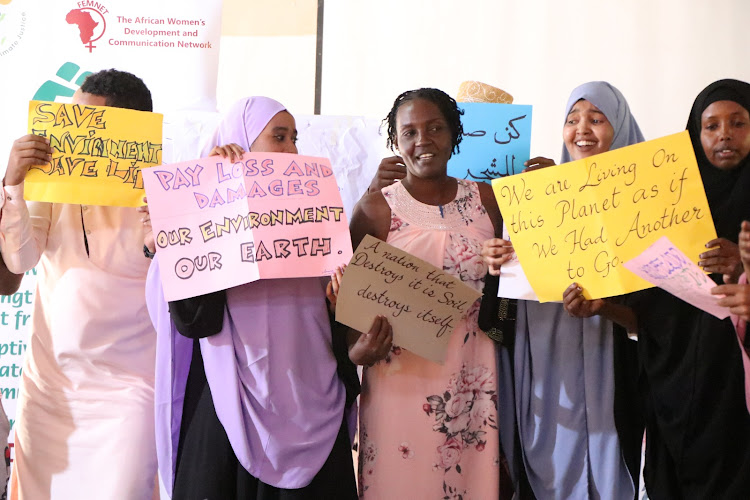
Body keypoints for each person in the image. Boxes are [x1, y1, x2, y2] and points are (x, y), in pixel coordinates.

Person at [145, 96, 372, 500]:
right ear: (242, 140)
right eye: (278, 137)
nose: (291, 150)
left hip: (314, 397)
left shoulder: (312, 215)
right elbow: (195, 321)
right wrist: (209, 197)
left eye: (294, 138)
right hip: (231, 399)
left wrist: (340, 298)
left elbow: (333, 313)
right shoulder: (210, 211)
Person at [0, 69, 158, 499]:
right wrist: (13, 183)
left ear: (129, 130)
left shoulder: (162, 190)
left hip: (131, 390)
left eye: (84, 122)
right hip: (51, 391)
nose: (68, 131)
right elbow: (19, 259)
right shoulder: (54, 181)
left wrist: (162, 237)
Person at [482, 81, 644, 499]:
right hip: (549, 364)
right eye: (572, 120)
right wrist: (502, 257)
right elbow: (510, 297)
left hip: (614, 359)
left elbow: (657, 309)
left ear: (620, 127)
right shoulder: (537, 195)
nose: (582, 130)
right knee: (551, 464)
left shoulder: (643, 197)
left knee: (615, 456)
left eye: (597, 118)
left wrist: (605, 306)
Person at [349, 88, 513, 499]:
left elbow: (511, 294)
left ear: (455, 133)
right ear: (396, 142)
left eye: (435, 128)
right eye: (410, 132)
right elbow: (345, 307)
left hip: (473, 376)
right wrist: (358, 352)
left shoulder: (489, 200)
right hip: (398, 380)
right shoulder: (375, 208)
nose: (423, 140)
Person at [622, 79, 750, 498]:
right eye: (711, 126)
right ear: (694, 136)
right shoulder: (666, 204)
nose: (725, 135)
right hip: (673, 378)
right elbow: (643, 302)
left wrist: (744, 265)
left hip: (738, 384)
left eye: (738, 123)